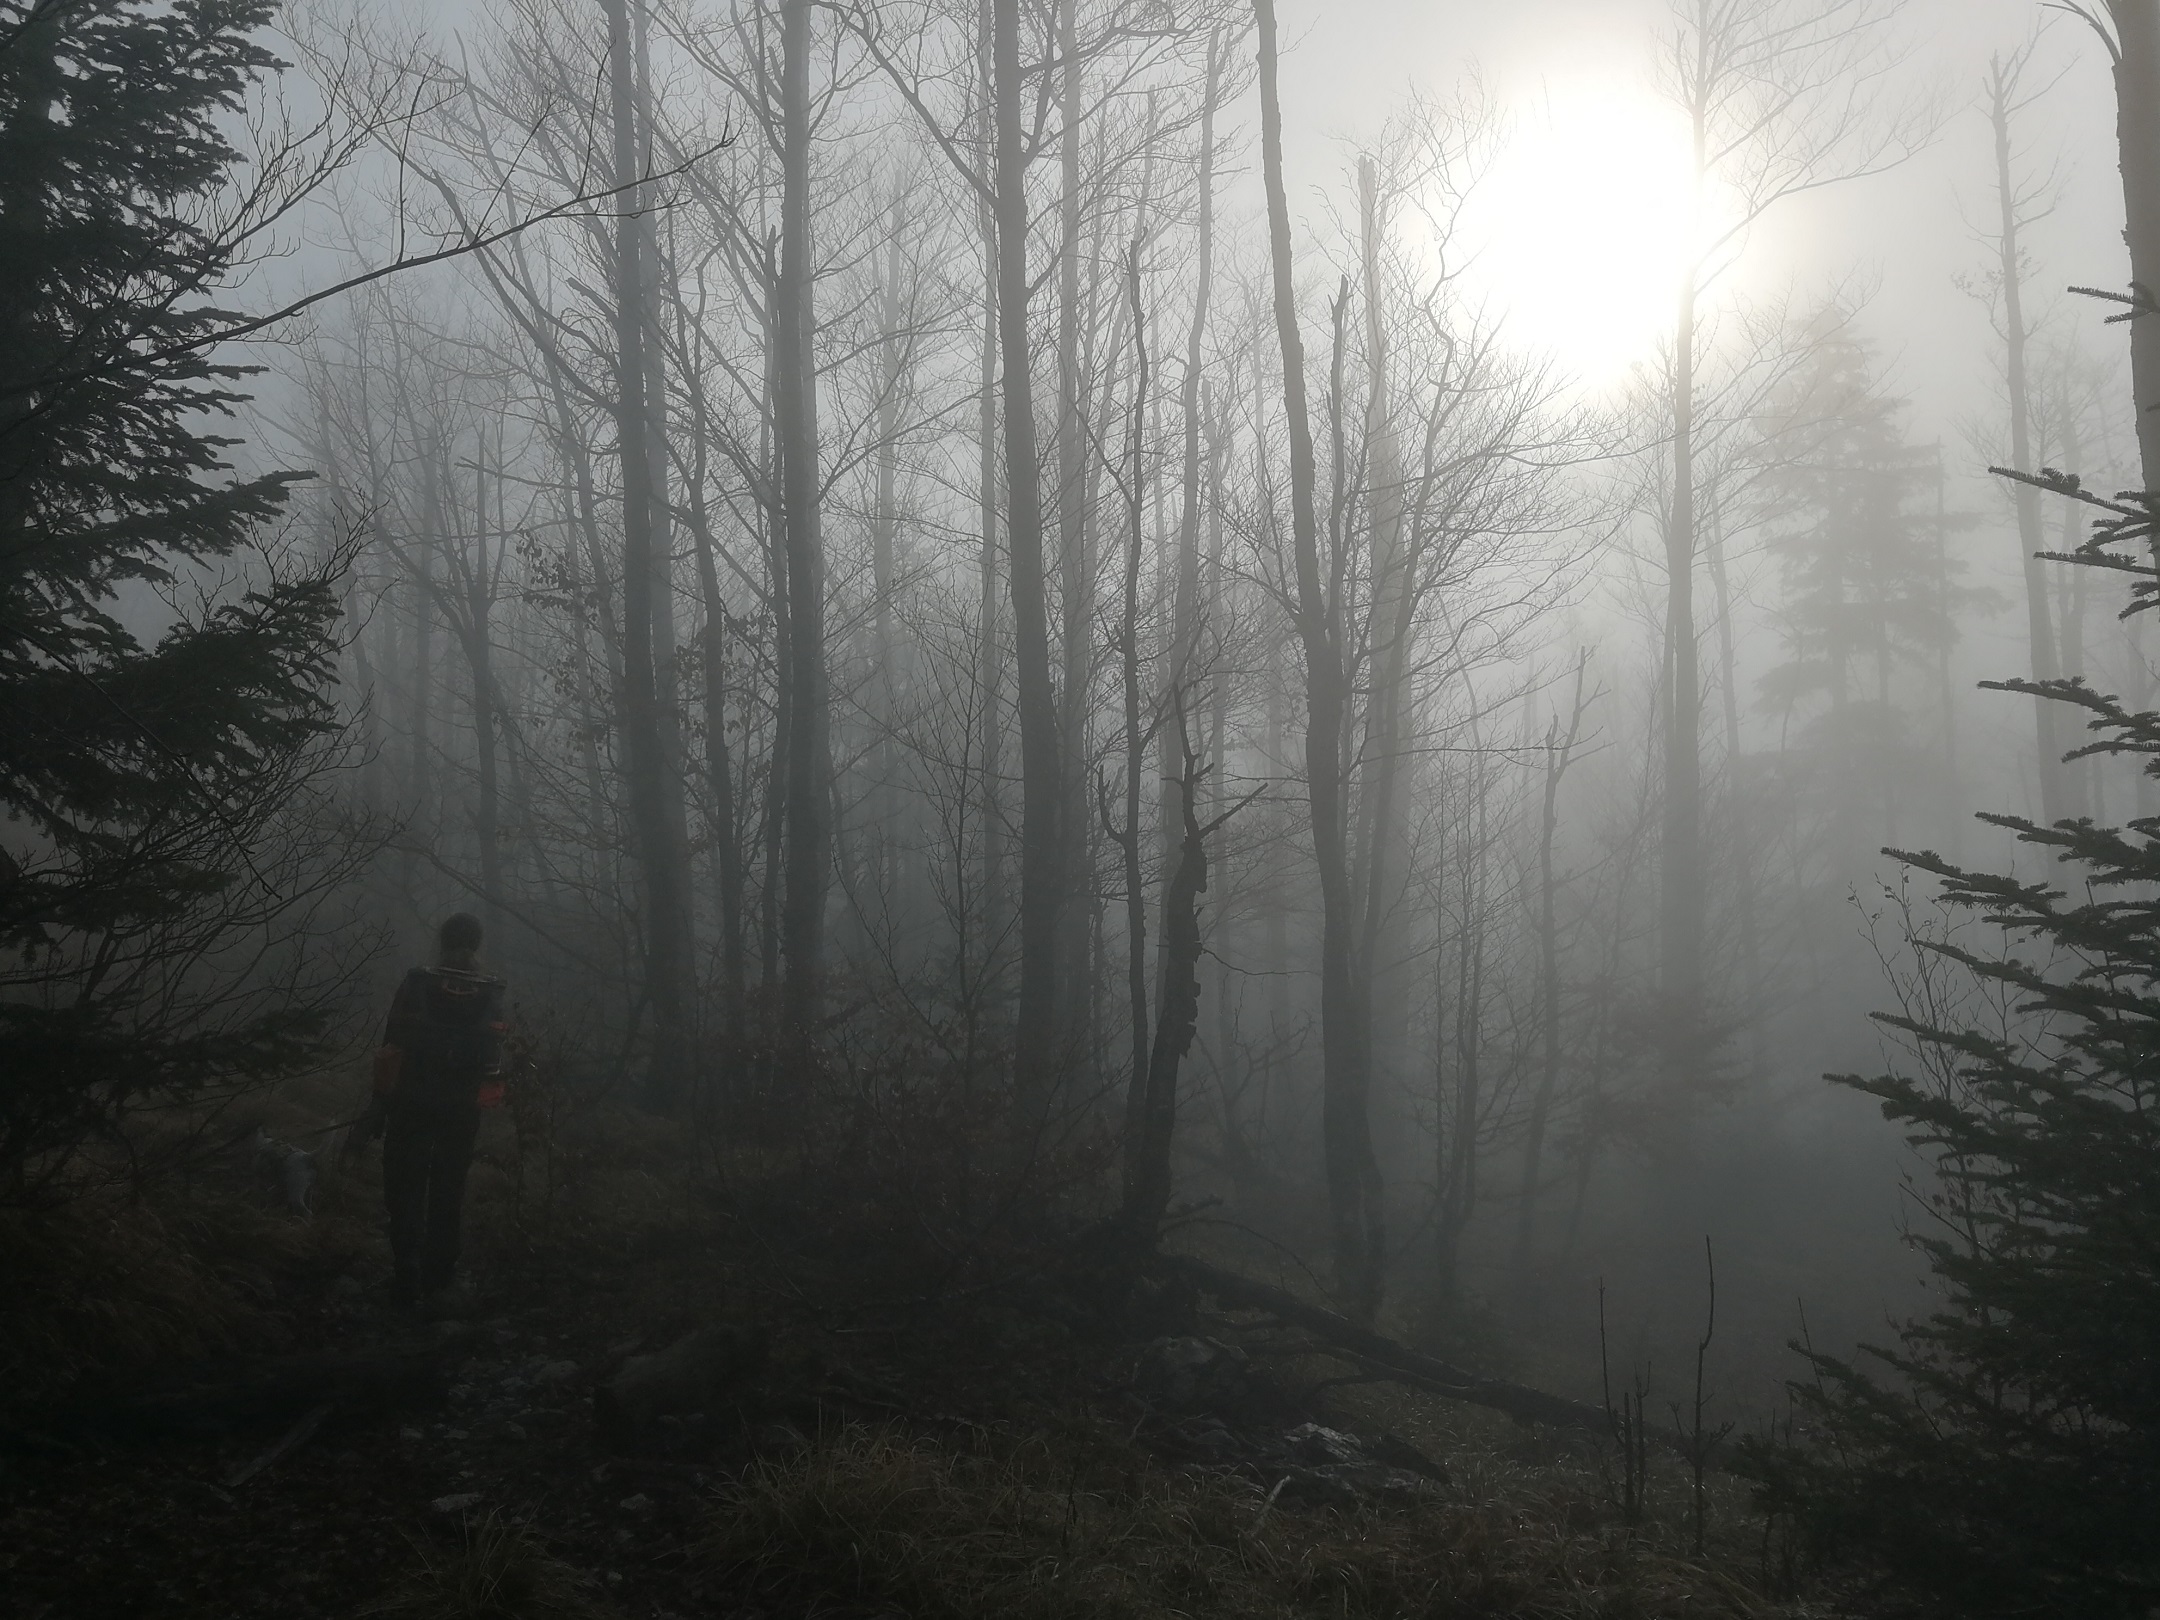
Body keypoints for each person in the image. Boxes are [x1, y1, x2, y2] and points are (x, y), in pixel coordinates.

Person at [364, 912, 508, 1314]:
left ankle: (405, 1275)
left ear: (442, 942)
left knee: (405, 1187)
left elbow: (391, 1046)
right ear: (477, 944)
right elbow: (494, 1062)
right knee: (448, 1189)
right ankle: (440, 1278)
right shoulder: (491, 991)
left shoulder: (417, 982)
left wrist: (380, 1101)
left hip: (411, 1101)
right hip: (460, 1107)